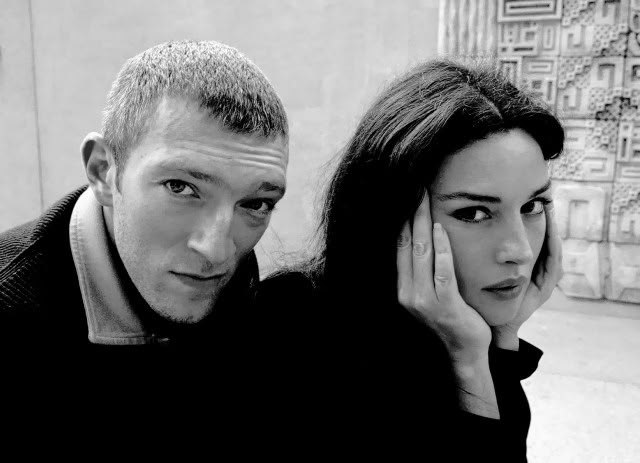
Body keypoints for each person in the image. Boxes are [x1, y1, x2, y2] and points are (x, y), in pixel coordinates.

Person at [257, 59, 564, 460]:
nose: (519, 250)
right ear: (391, 217)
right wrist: (471, 364)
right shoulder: (293, 334)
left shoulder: (463, 326)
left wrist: (496, 343)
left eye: (532, 206)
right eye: (474, 213)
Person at [0, 40, 289, 403]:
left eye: (256, 203)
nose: (216, 251)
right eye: (180, 187)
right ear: (103, 171)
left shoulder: (236, 279)